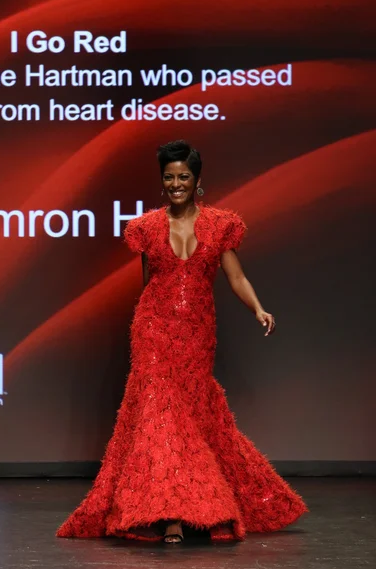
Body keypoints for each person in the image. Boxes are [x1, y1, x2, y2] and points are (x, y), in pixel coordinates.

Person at [56, 140, 308, 544]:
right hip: (153, 331)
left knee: (191, 417)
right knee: (160, 418)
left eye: (183, 177)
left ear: (197, 181)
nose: (176, 184)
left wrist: (258, 309)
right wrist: (148, 329)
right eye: (169, 177)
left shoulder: (220, 224)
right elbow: (148, 284)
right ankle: (169, 513)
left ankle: (203, 506)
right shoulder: (146, 227)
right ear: (162, 182)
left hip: (196, 333)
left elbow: (236, 277)